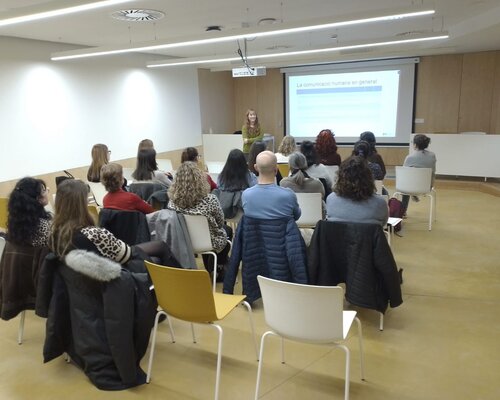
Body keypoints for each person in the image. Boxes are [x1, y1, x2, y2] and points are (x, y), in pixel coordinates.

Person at [50, 179, 177, 268]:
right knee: (160, 247)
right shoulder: (93, 234)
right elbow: (124, 254)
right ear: (81, 204)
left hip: (87, 281)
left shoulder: (54, 233)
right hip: (116, 274)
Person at [168, 162, 232, 275]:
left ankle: (212, 267)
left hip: (184, 241)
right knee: (227, 230)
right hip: (209, 242)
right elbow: (220, 221)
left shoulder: (172, 203)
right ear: (200, 179)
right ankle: (218, 265)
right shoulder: (210, 200)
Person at [326, 156, 388, 226]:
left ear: (340, 178)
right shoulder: (380, 203)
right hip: (367, 233)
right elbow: (383, 224)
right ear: (369, 178)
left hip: (337, 233)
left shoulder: (331, 199)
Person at [242, 151, 301, 221]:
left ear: (256, 168)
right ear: (276, 169)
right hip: (282, 228)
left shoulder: (246, 195)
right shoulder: (289, 195)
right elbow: (296, 216)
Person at [7, 177, 51, 247]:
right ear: (38, 199)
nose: (48, 191)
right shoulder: (44, 227)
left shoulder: (14, 223)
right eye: (44, 190)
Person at [401, 134, 437, 212]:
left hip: (410, 186)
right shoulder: (432, 155)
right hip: (427, 186)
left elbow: (404, 174)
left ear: (415, 144)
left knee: (405, 184)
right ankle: (414, 193)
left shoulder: (410, 157)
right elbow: (433, 171)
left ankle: (403, 211)